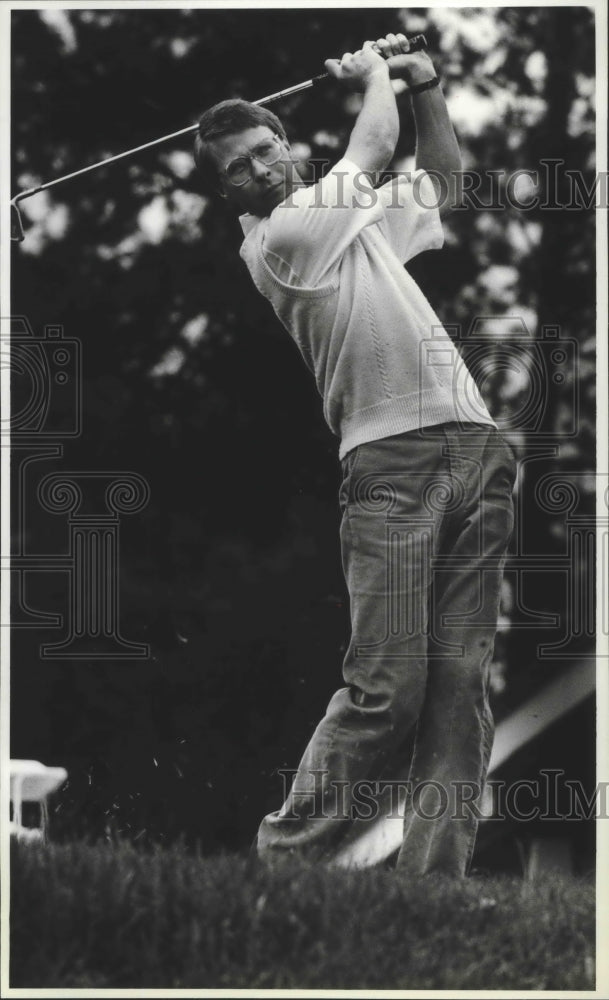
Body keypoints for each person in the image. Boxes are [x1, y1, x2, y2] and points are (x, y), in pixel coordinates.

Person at [194, 33, 517, 876]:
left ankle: (432, 888)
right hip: (390, 468)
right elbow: (370, 146)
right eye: (240, 167)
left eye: (267, 149)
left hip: (477, 447)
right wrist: (374, 76)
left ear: (286, 144)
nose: (261, 169)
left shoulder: (353, 222)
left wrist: (425, 86)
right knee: (387, 690)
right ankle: (284, 863)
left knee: (458, 689)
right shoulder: (282, 240)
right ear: (227, 191)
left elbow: (441, 180)